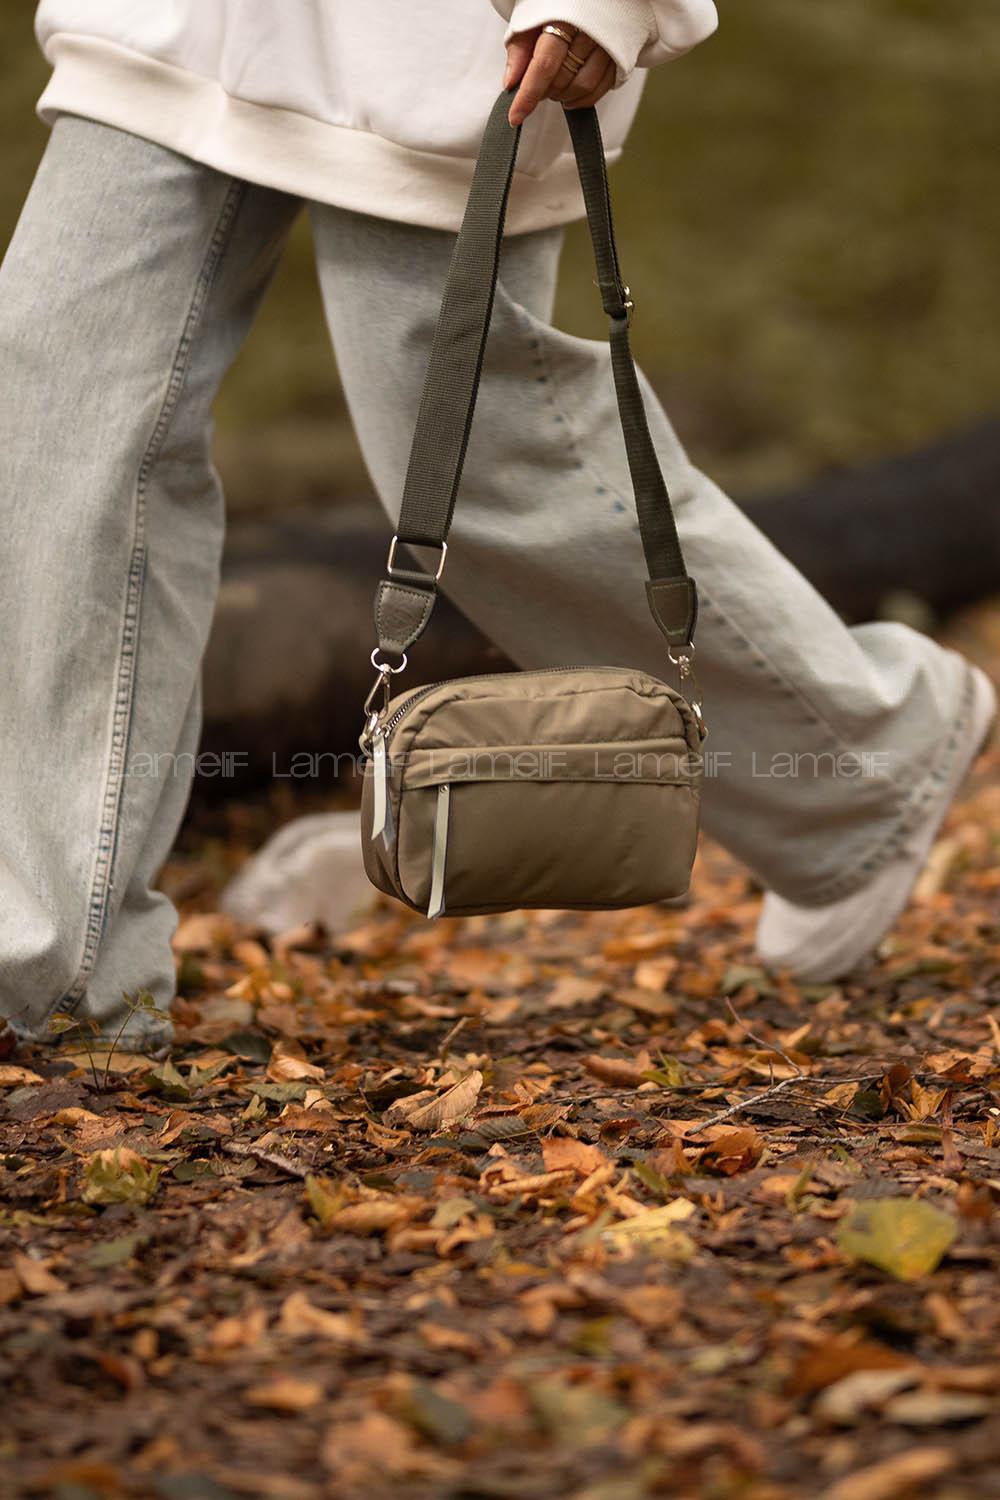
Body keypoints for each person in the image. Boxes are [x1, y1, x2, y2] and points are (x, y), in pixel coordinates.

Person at [0, 2, 993, 1053]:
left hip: (438, 39)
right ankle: (51, 975)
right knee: (53, 419)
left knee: (466, 445)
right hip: (174, 25)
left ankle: (852, 762)